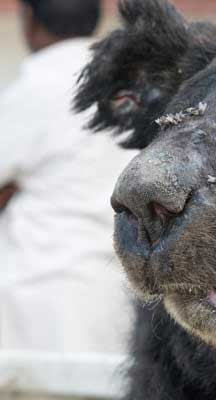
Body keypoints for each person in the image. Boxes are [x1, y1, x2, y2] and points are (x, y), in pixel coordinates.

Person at [0, 0, 136, 392]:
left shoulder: (36, 84)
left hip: (41, 303)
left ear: (27, 19)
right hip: (118, 304)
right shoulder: (124, 89)